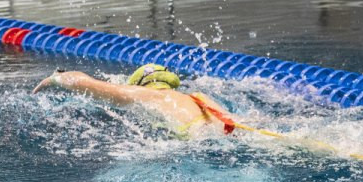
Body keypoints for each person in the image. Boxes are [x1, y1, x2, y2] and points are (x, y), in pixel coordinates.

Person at [33, 63, 236, 137]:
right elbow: (232, 124)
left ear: (140, 85)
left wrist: (57, 78)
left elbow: (84, 83)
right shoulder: (197, 97)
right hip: (223, 131)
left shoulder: (144, 94)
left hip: (195, 136)